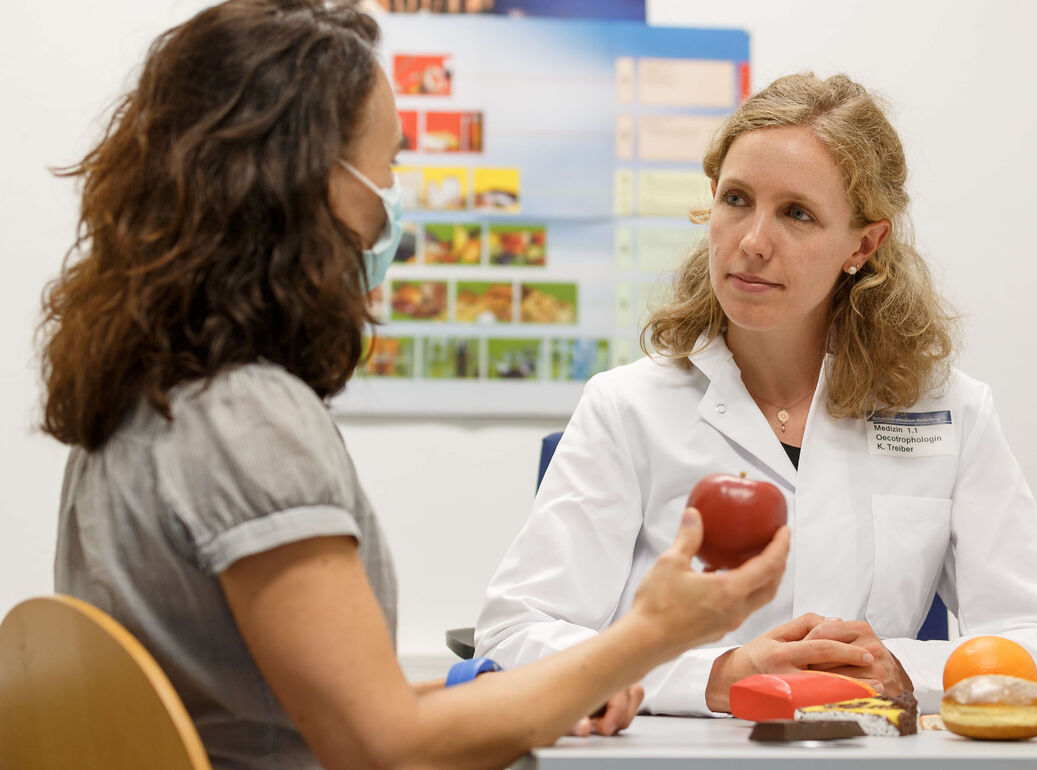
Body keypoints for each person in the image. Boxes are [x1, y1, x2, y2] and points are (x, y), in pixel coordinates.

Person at [37, 2, 790, 768]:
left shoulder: (151, 398)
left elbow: (319, 710)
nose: (395, 204)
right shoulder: (247, 419)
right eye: (390, 168)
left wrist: (568, 680)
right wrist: (653, 634)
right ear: (311, 183)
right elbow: (385, 747)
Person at [474, 72, 1037, 716]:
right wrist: (719, 676)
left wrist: (900, 667)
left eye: (797, 213)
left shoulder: (951, 413)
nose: (751, 242)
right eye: (736, 199)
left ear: (864, 243)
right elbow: (514, 635)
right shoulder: (627, 407)